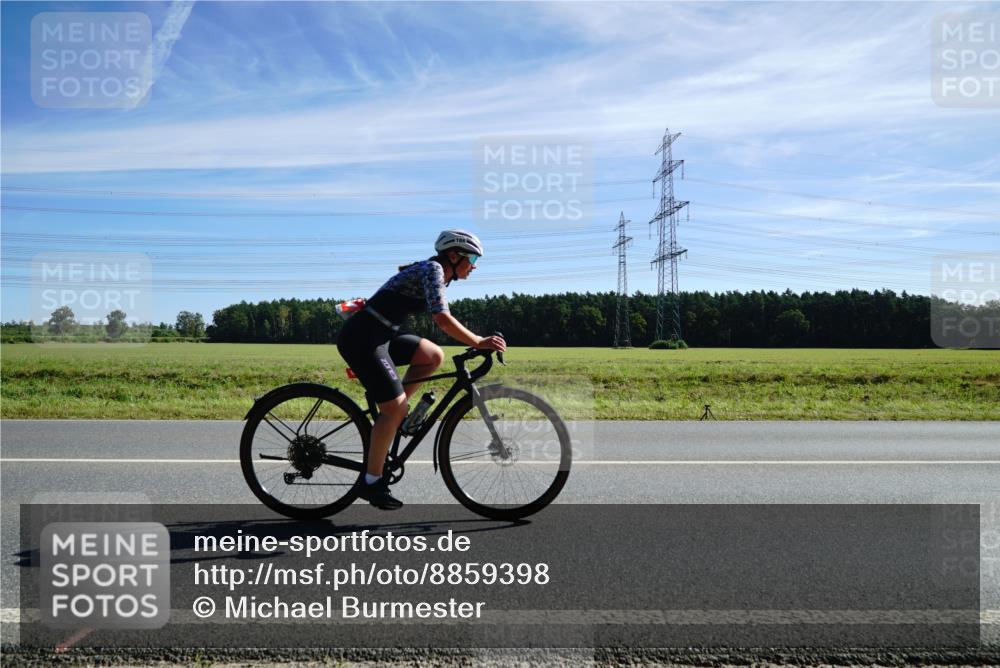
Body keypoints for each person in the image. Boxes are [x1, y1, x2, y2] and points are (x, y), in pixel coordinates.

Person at [336, 229, 506, 510]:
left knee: (432, 356)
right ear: (454, 255)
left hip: (381, 335)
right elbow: (441, 318)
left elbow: (441, 320)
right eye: (472, 258)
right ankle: (371, 481)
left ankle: (396, 417)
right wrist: (478, 341)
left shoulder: (435, 270)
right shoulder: (434, 269)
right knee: (393, 408)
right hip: (362, 338)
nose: (474, 266)